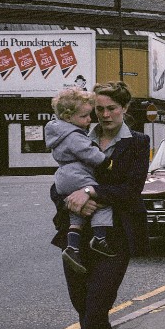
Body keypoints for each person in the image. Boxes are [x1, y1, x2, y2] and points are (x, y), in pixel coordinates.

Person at [51, 81, 149, 329]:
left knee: (97, 308)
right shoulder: (77, 135)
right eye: (99, 109)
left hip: (113, 237)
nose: (104, 115)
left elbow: (130, 190)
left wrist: (91, 192)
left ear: (124, 109)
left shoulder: (137, 143)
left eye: (111, 108)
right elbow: (57, 182)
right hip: (74, 234)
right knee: (83, 311)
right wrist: (70, 197)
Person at [45, 87, 115, 271]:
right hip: (78, 175)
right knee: (102, 201)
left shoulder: (59, 133)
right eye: (84, 116)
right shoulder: (74, 135)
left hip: (64, 177)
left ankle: (72, 247)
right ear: (68, 117)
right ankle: (100, 238)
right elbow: (88, 152)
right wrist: (105, 162)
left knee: (77, 213)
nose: (89, 119)